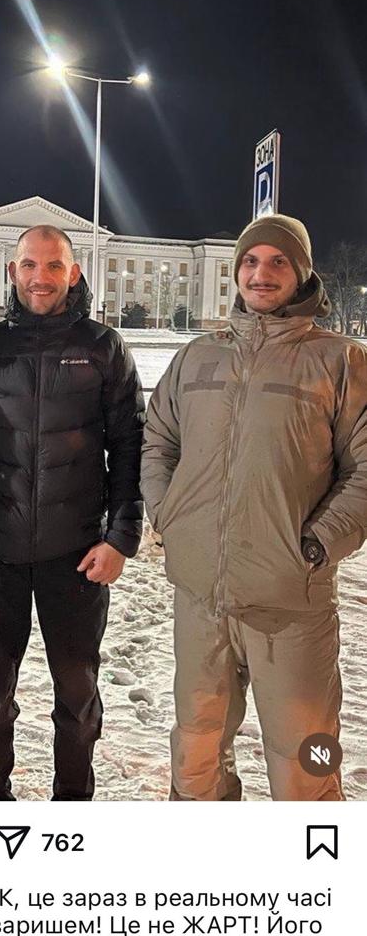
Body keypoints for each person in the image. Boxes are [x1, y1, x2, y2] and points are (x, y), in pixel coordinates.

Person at [141, 213, 367, 802]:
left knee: (306, 757)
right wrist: (167, 514)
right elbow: (158, 441)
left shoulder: (340, 360)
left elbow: (365, 470)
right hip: (200, 597)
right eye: (249, 260)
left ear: (302, 273)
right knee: (196, 750)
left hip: (291, 602)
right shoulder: (197, 357)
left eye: (277, 261)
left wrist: (316, 544)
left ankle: (315, 851)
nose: (260, 273)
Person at [0, 225, 144, 801]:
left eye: (53, 266)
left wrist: (121, 537)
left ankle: (72, 803)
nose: (40, 278)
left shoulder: (103, 348)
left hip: (76, 556)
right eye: (29, 265)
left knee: (77, 696)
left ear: (73, 272)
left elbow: (129, 447)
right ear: (12, 270)